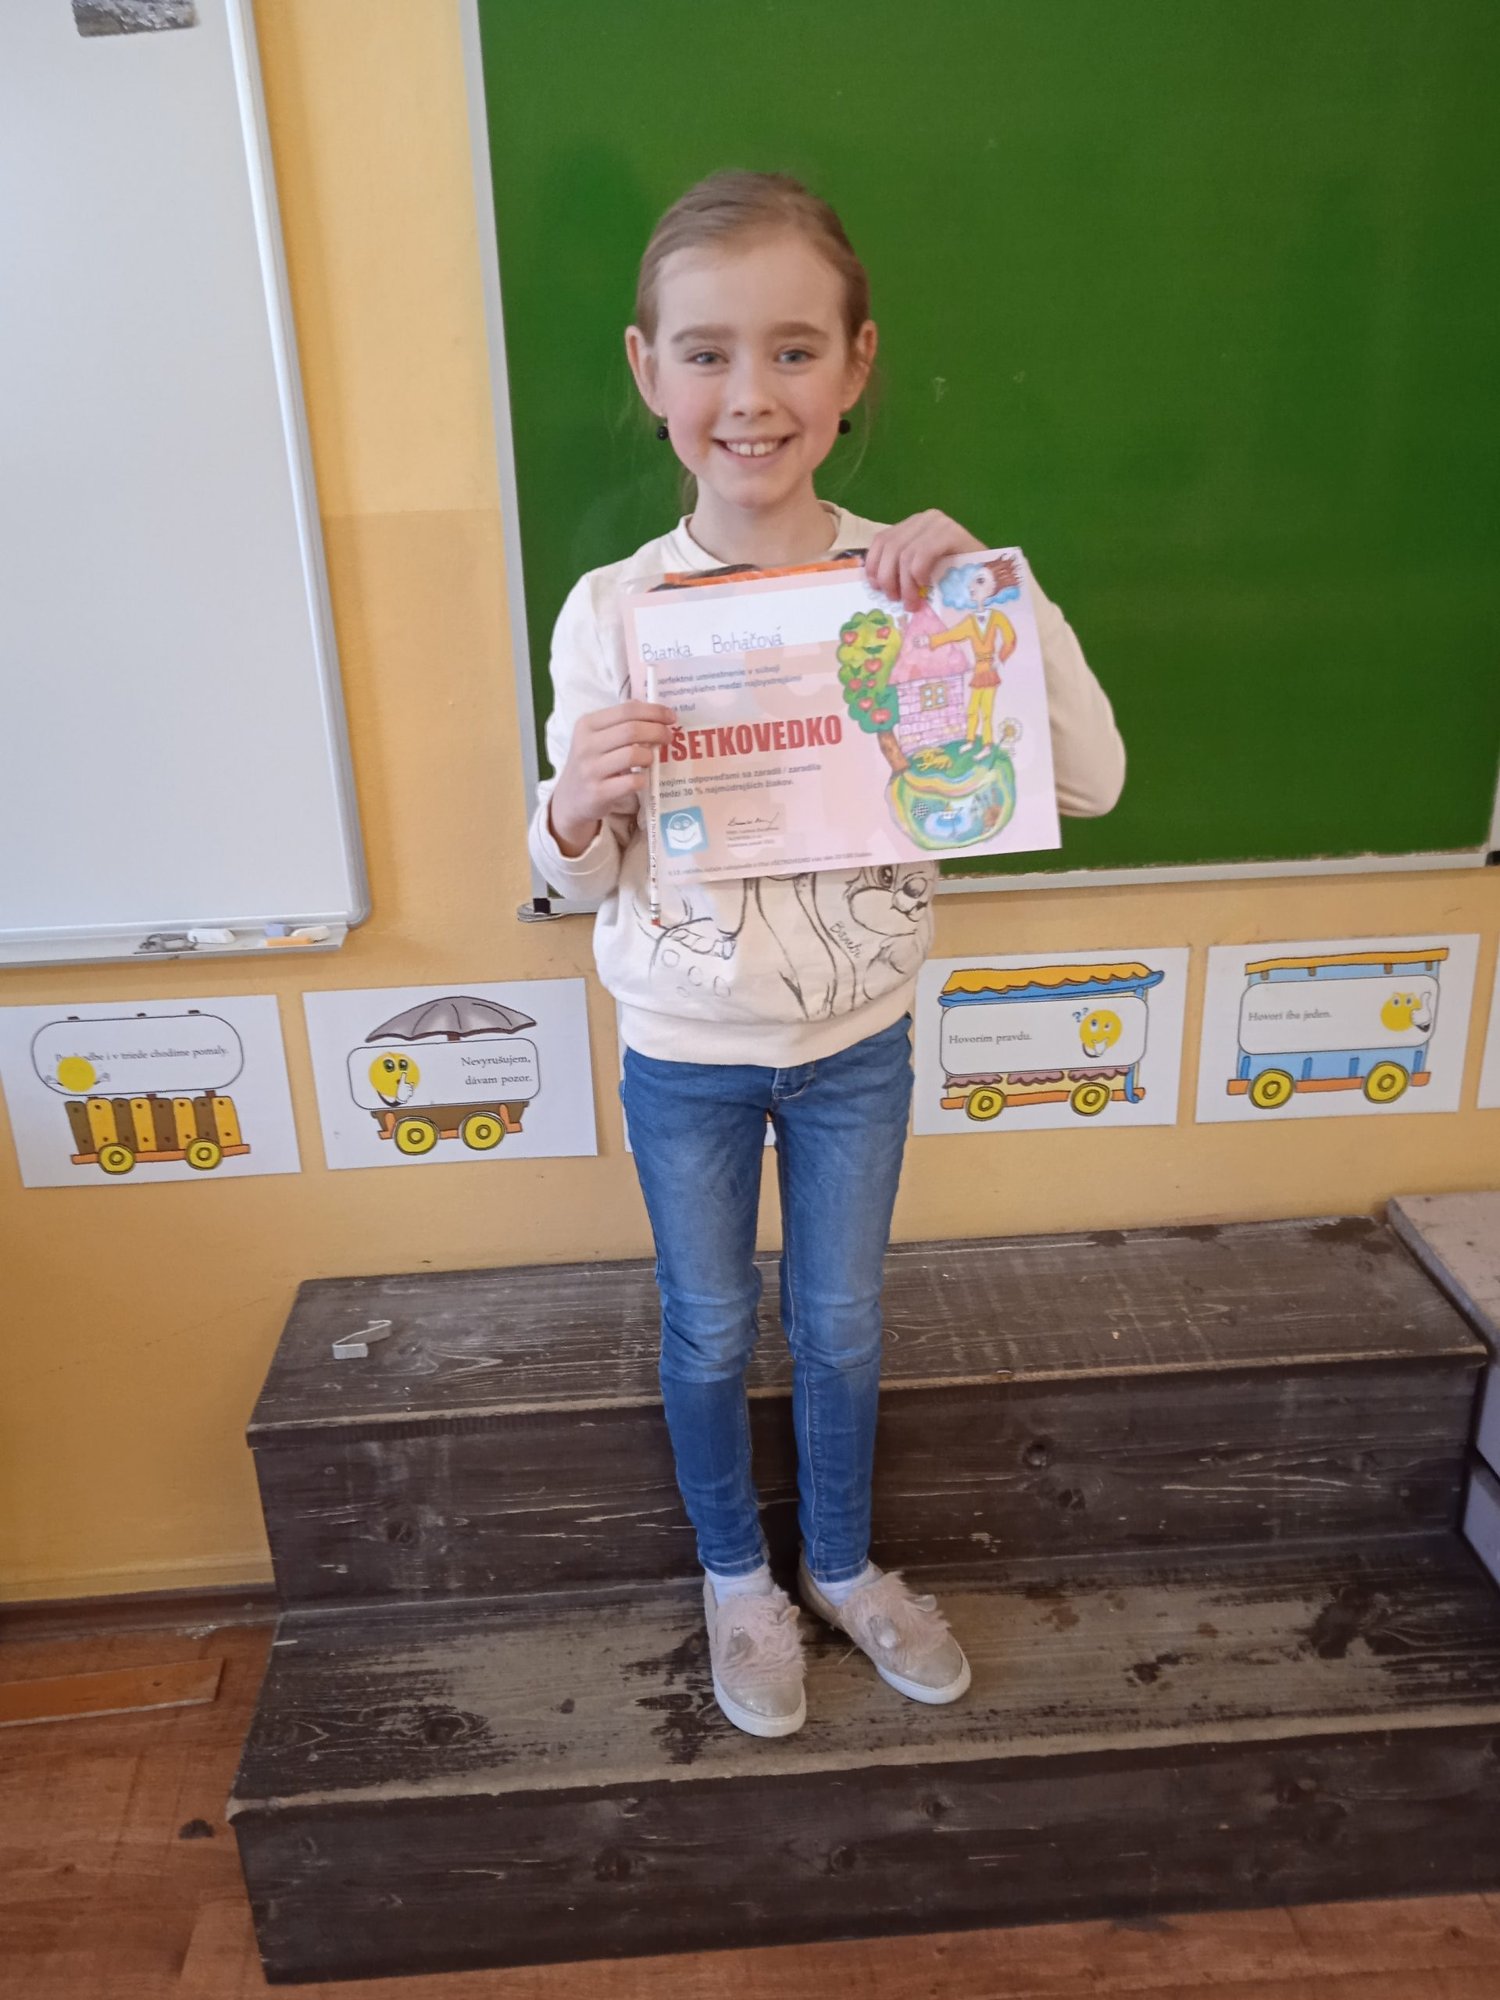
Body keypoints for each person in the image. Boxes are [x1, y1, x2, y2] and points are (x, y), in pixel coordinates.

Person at [528, 171, 1125, 1739]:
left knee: (844, 1321)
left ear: (858, 365)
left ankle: (844, 1566)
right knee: (711, 1324)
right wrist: (571, 806)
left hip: (857, 1044)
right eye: (708, 352)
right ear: (649, 370)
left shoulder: (913, 585)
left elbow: (1091, 777)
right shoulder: (611, 610)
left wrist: (998, 594)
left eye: (794, 350)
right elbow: (571, 868)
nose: (751, 394)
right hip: (685, 1051)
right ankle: (739, 1579)